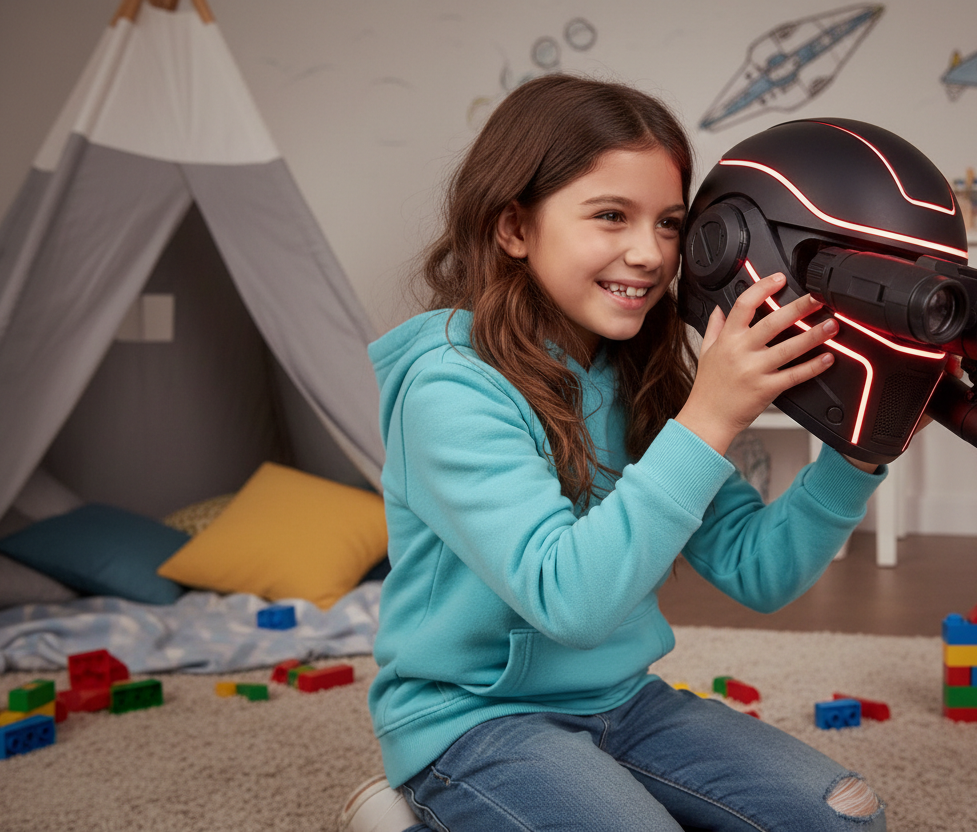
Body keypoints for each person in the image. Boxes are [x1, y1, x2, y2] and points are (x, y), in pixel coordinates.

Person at [340, 73, 890, 832]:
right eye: (610, 216)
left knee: (845, 818)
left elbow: (757, 571)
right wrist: (709, 418)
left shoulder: (639, 373)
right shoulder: (449, 387)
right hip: (472, 720)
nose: (649, 253)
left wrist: (859, 452)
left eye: (669, 224)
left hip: (623, 702)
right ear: (514, 227)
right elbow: (568, 600)